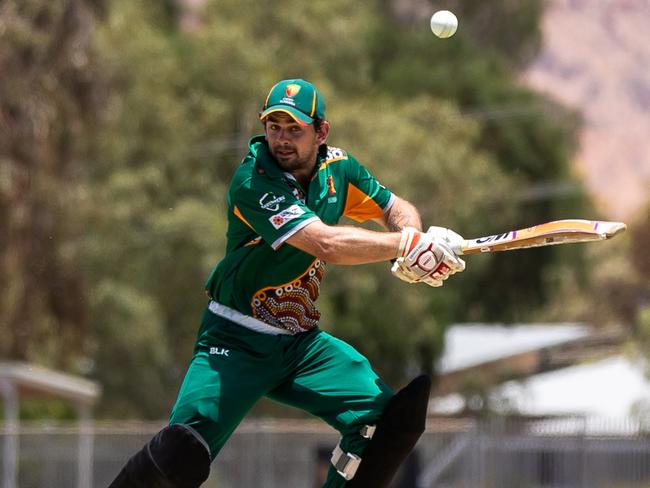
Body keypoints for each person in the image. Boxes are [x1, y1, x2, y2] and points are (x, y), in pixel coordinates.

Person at [108, 79, 466, 488]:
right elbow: (324, 243)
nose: (281, 139)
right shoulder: (254, 181)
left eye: (294, 129)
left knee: (384, 424)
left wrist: (416, 244)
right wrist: (408, 245)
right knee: (179, 453)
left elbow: (394, 207)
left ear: (322, 132)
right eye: (274, 126)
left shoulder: (338, 169)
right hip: (235, 340)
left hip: (300, 346)